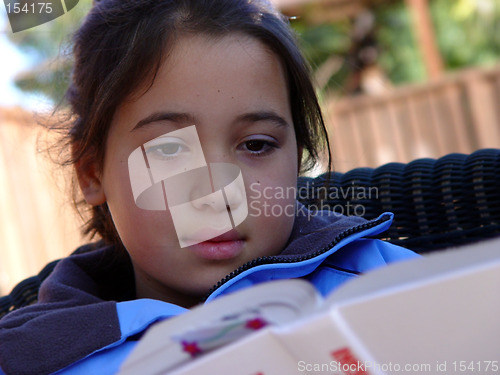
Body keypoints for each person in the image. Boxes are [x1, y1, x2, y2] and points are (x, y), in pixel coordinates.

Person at [0, 0, 418, 374]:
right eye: (168, 151)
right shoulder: (31, 357)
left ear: (298, 156)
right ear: (92, 172)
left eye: (256, 145)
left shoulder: (383, 281)